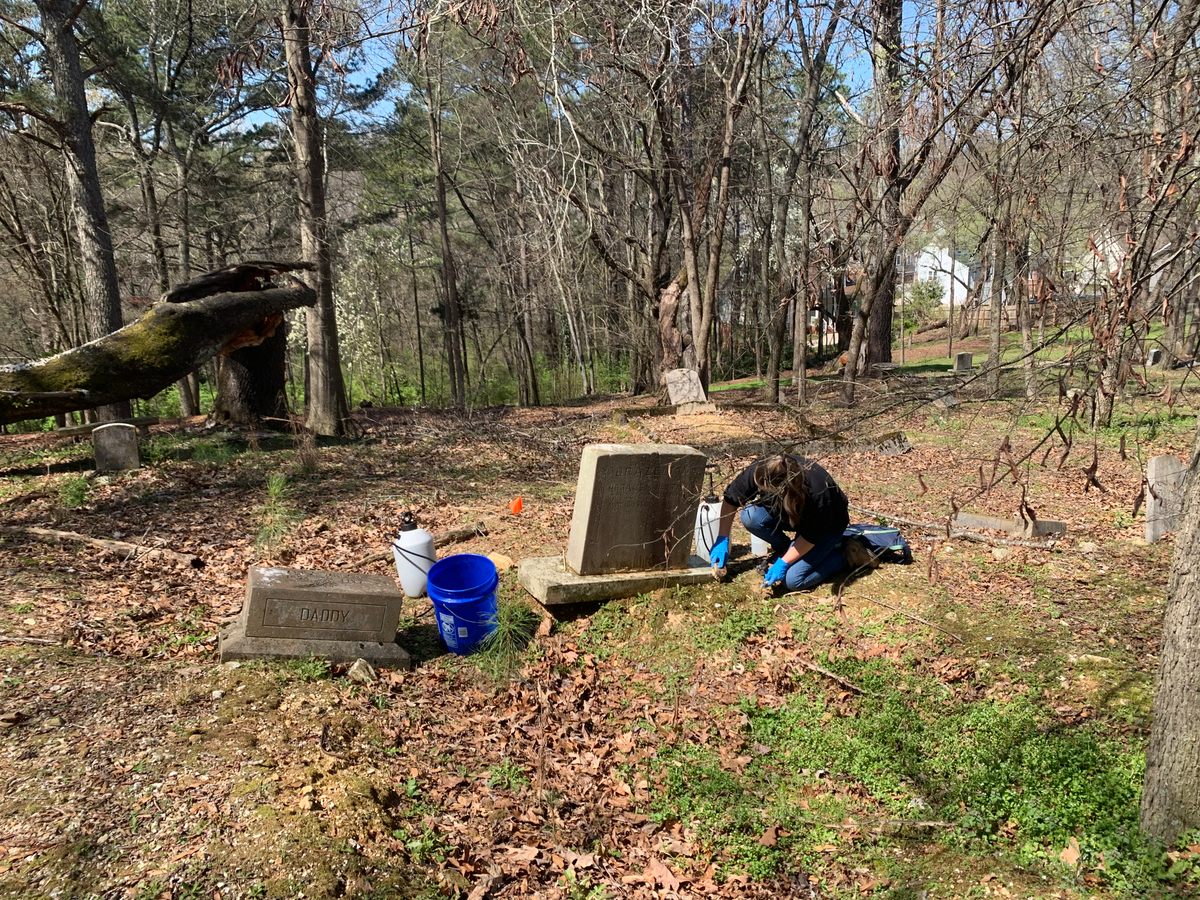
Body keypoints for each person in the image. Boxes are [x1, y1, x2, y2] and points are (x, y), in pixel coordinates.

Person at [707, 454, 850, 592]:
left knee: (793, 580)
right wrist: (723, 537)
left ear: (783, 487)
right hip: (789, 514)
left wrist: (784, 563)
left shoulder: (817, 490)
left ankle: (845, 555)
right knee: (750, 516)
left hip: (827, 527)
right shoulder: (761, 468)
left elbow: (811, 536)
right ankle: (785, 549)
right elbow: (731, 499)